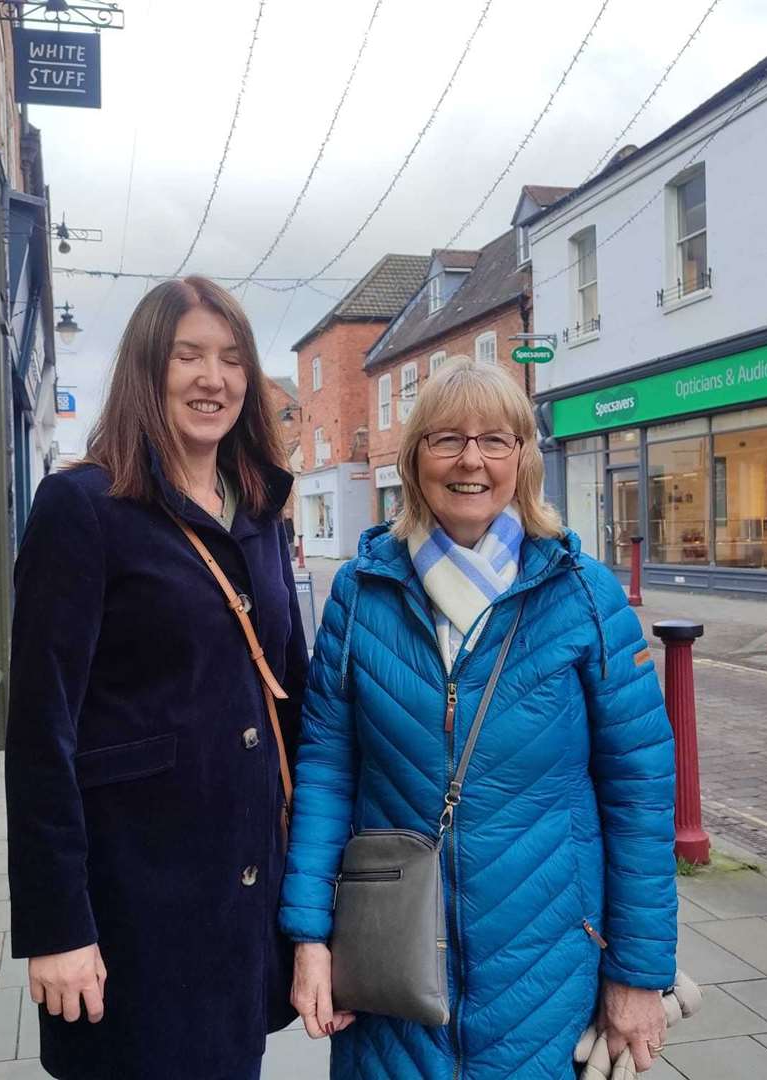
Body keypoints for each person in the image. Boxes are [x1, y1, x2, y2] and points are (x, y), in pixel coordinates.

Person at [280, 359, 678, 1078]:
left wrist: (639, 972)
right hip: (390, 964)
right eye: (447, 439)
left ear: (523, 458)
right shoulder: (361, 595)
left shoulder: (584, 597)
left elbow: (640, 790)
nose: (471, 460)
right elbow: (327, 772)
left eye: (495, 440)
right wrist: (311, 935)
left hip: (546, 967)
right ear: (414, 459)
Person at [6, 277, 306, 1080]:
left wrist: (311, 901)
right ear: (147, 367)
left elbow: (293, 698)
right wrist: (56, 926)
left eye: (233, 359)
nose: (214, 378)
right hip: (133, 902)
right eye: (189, 356)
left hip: (243, 895)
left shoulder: (260, 509)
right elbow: (39, 732)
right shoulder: (82, 508)